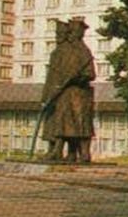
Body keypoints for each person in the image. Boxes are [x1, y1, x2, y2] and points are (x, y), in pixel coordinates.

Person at [41, 18, 96, 162]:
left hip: (78, 94)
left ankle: (80, 153)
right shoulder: (60, 52)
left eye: (74, 32)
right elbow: (53, 76)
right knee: (62, 122)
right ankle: (62, 152)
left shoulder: (83, 51)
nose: (70, 35)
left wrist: (76, 79)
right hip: (62, 93)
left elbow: (90, 74)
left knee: (78, 124)